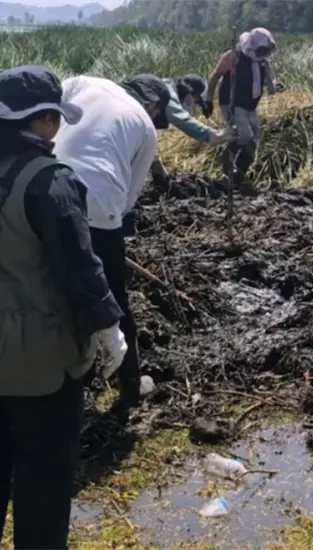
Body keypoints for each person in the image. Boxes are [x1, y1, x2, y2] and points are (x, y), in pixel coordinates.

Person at [0, 66, 127, 549]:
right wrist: (108, 328)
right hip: (39, 358)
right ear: (45, 121)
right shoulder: (49, 181)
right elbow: (79, 268)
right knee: (44, 471)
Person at [53, 73, 165, 414]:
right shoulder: (145, 125)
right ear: (152, 105)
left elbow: (54, 118)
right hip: (100, 209)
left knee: (51, 293)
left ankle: (62, 381)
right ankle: (130, 385)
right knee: (114, 297)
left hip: (45, 190)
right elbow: (129, 197)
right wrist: (106, 233)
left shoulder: (81, 83)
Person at [204, 27, 280, 185]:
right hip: (232, 103)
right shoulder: (234, 56)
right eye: (261, 50)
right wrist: (208, 100)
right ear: (253, 46)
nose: (263, 54)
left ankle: (238, 173)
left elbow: (271, 85)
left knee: (256, 138)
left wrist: (274, 84)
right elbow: (215, 77)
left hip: (250, 105)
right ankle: (228, 165)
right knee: (244, 135)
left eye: (266, 51)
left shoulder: (263, 63)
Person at [148, 74, 234, 186]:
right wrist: (210, 135)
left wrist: (156, 165)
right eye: (196, 101)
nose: (194, 105)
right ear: (190, 93)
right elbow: (180, 117)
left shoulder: (164, 89)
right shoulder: (167, 92)